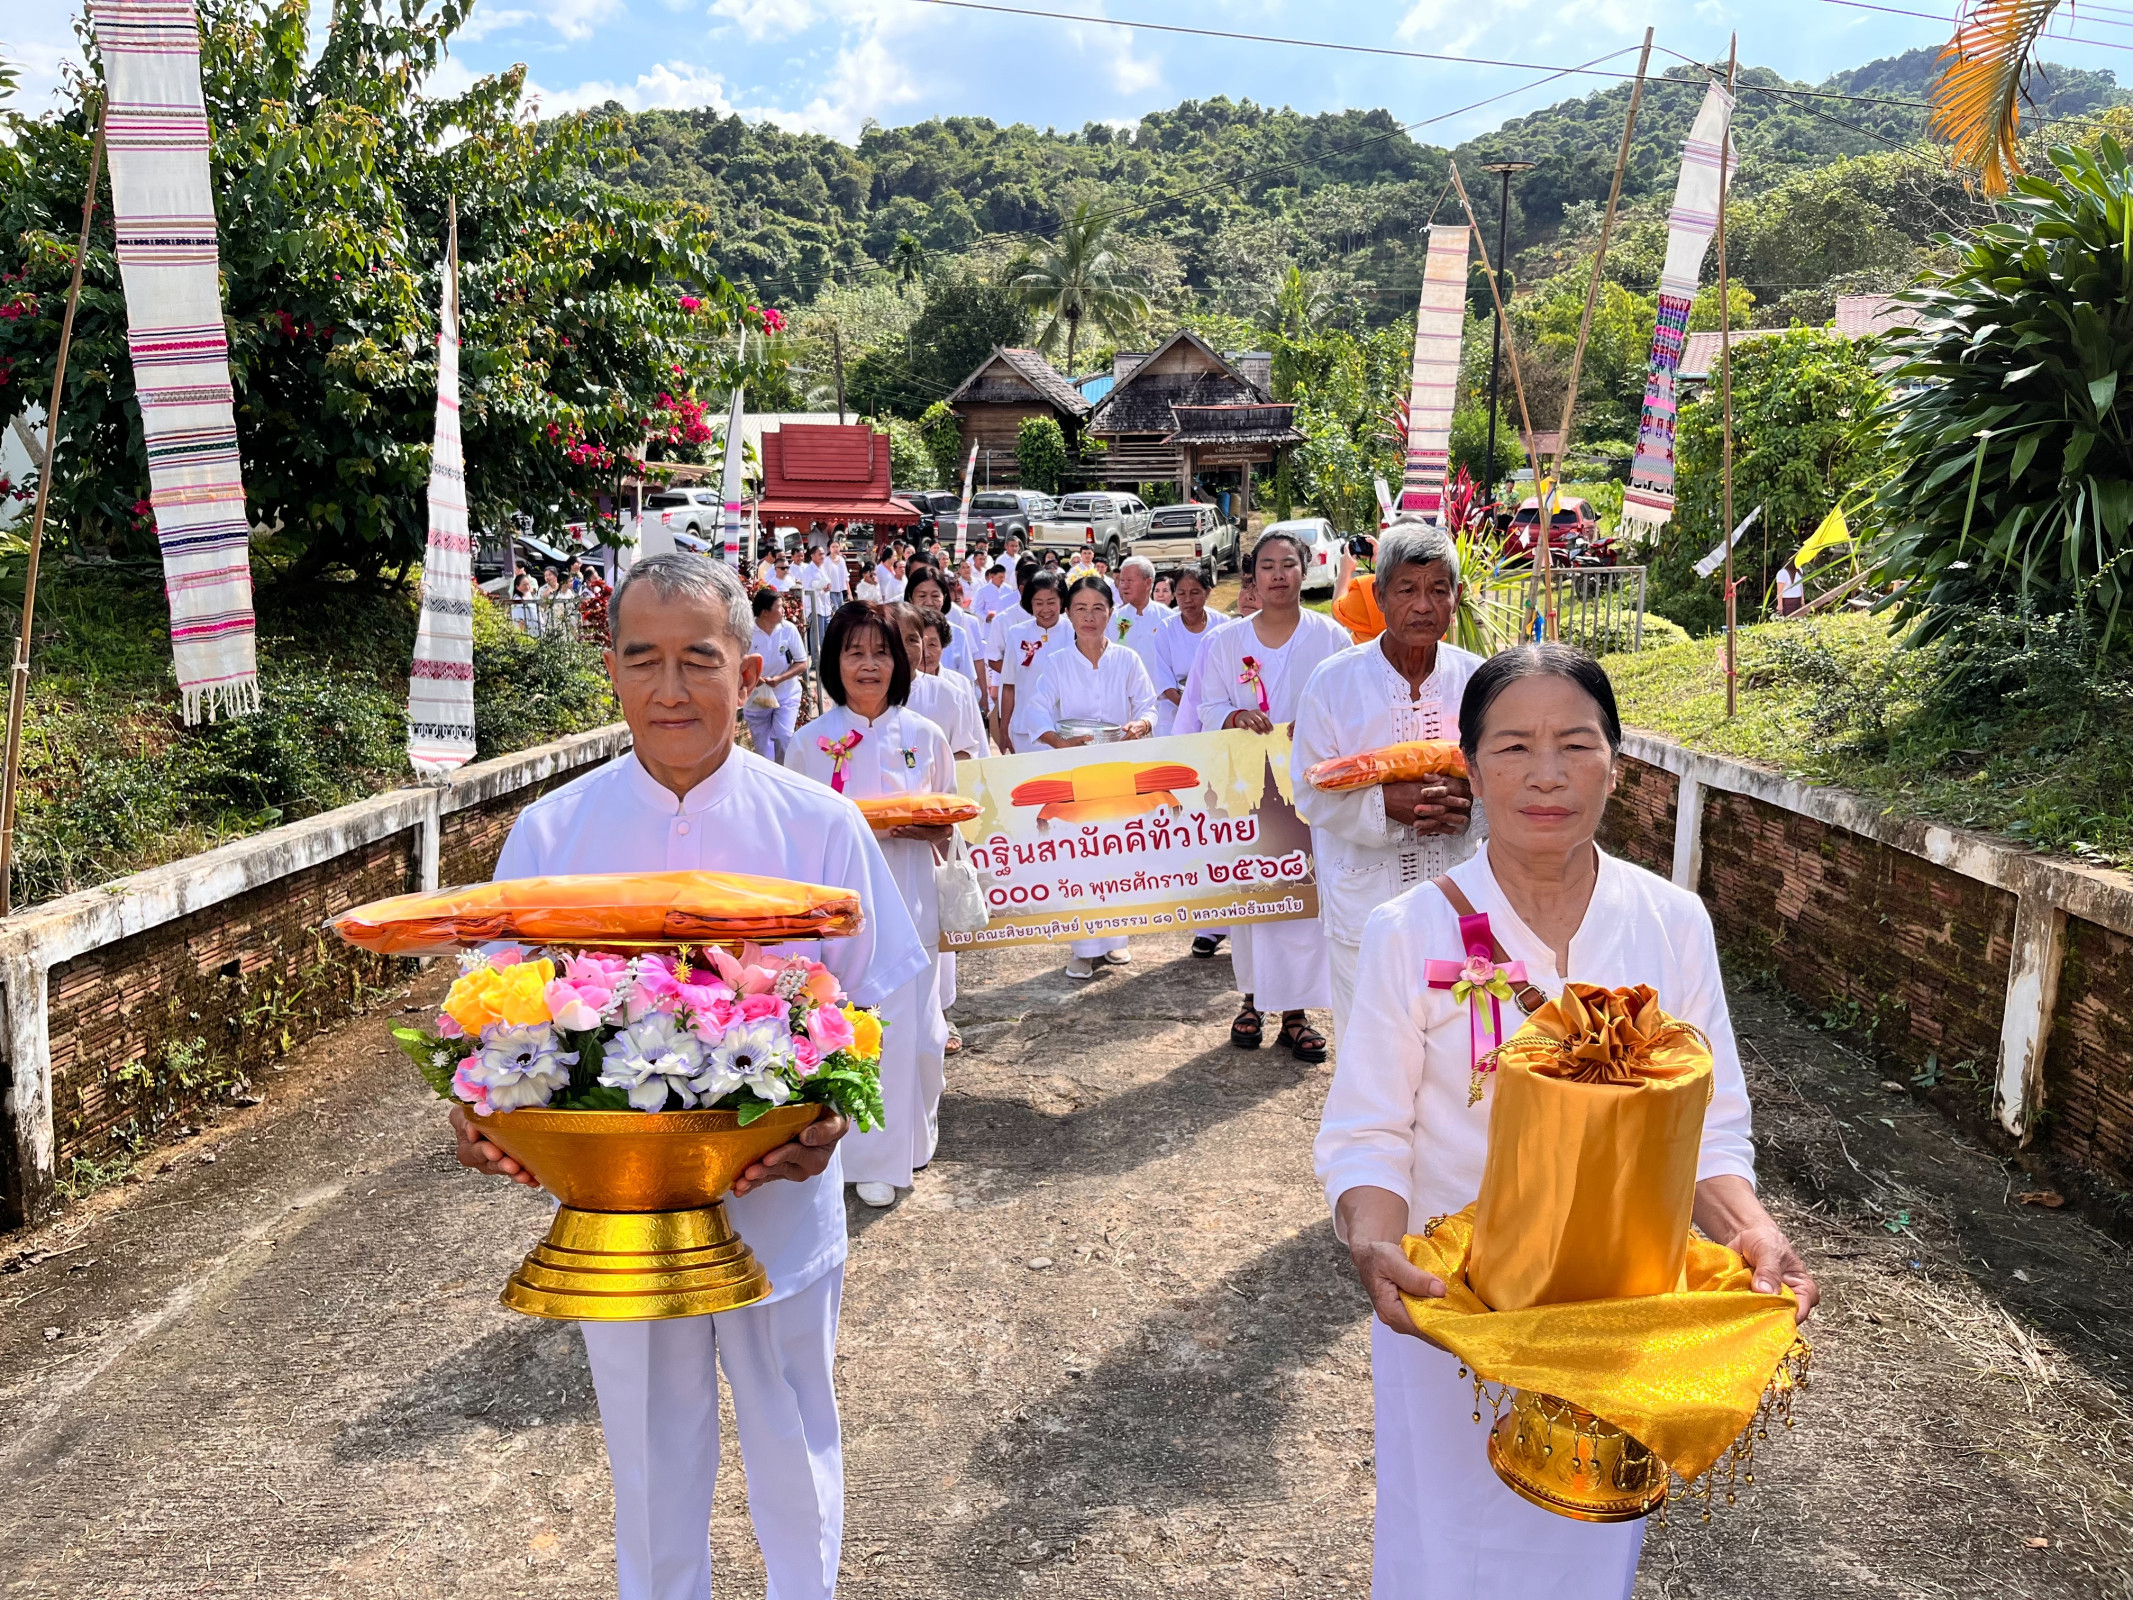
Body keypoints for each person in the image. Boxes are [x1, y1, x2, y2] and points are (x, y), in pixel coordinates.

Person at [450, 552, 925, 1600]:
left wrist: (833, 1124)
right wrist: (478, 1109)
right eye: (643, 659)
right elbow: (488, 1013)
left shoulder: (817, 827)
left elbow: (874, 1009)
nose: (671, 688)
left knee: (793, 1436)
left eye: (699, 660)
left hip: (779, 1203)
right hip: (624, 1223)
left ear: (749, 672)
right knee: (651, 1462)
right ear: (610, 671)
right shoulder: (553, 835)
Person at [1313, 643, 1818, 1600]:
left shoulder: (1671, 923)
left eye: (1575, 745)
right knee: (1443, 1546)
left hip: (1614, 1316)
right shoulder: (1409, 931)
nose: (1545, 774)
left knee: (1582, 1549)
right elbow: (1368, 1132)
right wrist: (1375, 1245)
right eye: (1511, 747)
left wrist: (1751, 1232)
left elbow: (1707, 1127)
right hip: (1453, 1312)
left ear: (1617, 764)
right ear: (1467, 765)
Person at [786, 602, 956, 1210]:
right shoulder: (810, 744)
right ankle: (864, 1157)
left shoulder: (925, 736)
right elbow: (795, 835)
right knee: (858, 1029)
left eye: (881, 652)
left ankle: (912, 1138)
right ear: (834, 662)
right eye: (854, 652)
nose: (868, 665)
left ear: (900, 661)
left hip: (911, 897)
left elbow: (951, 824)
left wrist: (933, 831)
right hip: (843, 909)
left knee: (918, 1033)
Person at [1293, 527, 1485, 1047]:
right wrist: (1385, 805)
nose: (1424, 605)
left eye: (1439, 589)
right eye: (1407, 590)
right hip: (1366, 906)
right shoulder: (1333, 682)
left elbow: (1508, 779)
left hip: (1460, 902)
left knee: (1459, 1054)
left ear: (1456, 598)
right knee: (1371, 1058)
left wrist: (1471, 807)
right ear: (1378, 595)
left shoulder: (1481, 683)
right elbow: (1309, 792)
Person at [1195, 532, 1349, 1063]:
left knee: (1303, 899)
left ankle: (1297, 1014)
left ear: (1306, 571)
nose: (1278, 574)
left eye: (1288, 564)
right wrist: (1234, 716)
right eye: (1267, 566)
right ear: (1252, 576)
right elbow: (1207, 706)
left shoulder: (1331, 639)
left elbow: (1345, 710)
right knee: (1255, 893)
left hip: (1311, 791)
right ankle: (1252, 1000)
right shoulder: (1225, 643)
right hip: (1250, 789)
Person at [1022, 574, 1159, 980]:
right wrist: (1055, 741)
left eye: (1098, 608)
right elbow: (1037, 709)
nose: (1089, 616)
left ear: (1111, 614)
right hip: (1075, 768)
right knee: (1079, 855)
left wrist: (1141, 725)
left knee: (1117, 853)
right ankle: (1082, 947)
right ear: (1068, 614)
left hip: (1118, 769)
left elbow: (1149, 705)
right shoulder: (1058, 662)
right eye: (1080, 608)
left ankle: (1116, 940)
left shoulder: (1127, 659)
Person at [1149, 563, 1226, 740]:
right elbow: (1164, 680)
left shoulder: (1223, 624)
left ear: (1207, 592)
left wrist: (1208, 708)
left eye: (1195, 592)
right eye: (1181, 593)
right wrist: (1190, 707)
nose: (1188, 599)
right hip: (1175, 712)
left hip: (1215, 709)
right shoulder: (1166, 628)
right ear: (1175, 595)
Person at [999, 570, 1070, 755]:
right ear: (1029, 603)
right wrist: (1003, 727)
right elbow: (1008, 685)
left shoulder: (1074, 631)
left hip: (1064, 728)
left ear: (1062, 601)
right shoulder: (1016, 633)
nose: (1045, 609)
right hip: (1025, 729)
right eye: (1039, 603)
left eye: (1051, 602)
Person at [744, 586, 808, 763]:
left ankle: (784, 775)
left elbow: (802, 663)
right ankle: (768, 779)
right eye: (779, 607)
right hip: (756, 697)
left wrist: (780, 678)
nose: (783, 610)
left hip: (786, 694)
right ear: (765, 612)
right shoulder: (747, 633)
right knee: (763, 749)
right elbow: (736, 662)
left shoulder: (788, 629)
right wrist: (752, 678)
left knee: (784, 737)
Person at [1110, 554, 1170, 672]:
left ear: (1148, 583)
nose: (1124, 586)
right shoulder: (1114, 619)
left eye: (1130, 581)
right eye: (1122, 581)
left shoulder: (1168, 618)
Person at [1332, 533, 1388, 644]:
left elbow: (1338, 616)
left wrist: (1345, 571)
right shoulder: (1427, 590)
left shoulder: (1366, 588)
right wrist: (1386, 560)